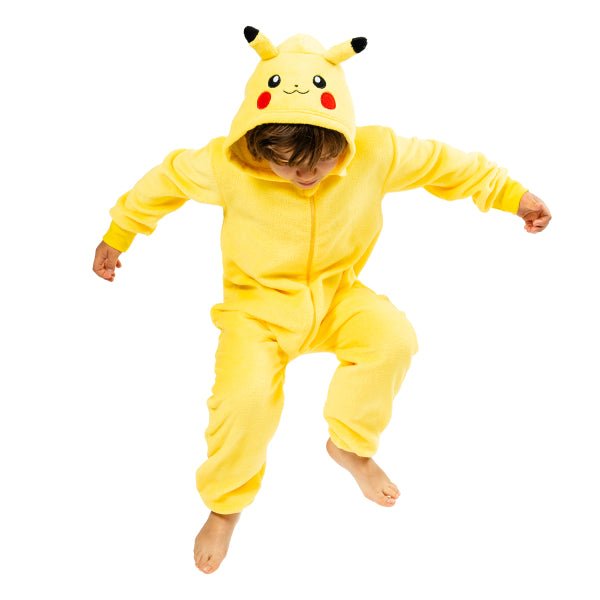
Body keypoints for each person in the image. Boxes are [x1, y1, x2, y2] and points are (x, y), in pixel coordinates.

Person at [92, 26, 552, 575]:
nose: (306, 174)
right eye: (288, 163)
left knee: (393, 339)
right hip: (257, 311)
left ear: (343, 138)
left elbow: (447, 165)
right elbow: (163, 182)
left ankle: (350, 446)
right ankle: (225, 506)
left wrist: (512, 196)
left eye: (321, 160)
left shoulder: (376, 152)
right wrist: (119, 234)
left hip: (337, 297)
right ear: (256, 143)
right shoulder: (226, 166)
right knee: (243, 403)